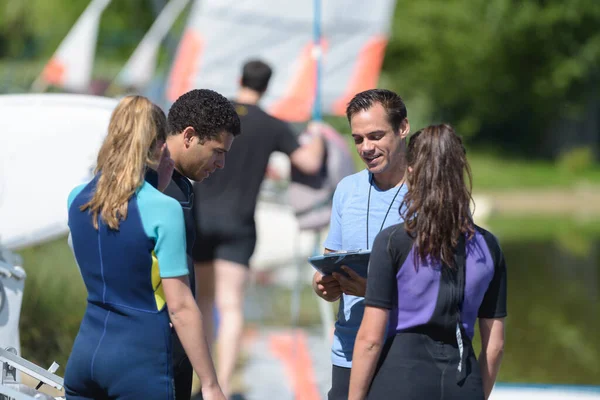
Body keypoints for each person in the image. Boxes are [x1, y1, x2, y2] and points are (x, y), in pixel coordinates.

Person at [63, 95, 226, 400]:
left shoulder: (77, 198)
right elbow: (180, 307)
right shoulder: (164, 209)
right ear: (160, 146)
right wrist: (211, 384)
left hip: (85, 356)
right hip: (139, 362)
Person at [193, 59, 325, 397]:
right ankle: (221, 384)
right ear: (267, 87)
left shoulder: (215, 119)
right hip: (240, 223)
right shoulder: (273, 125)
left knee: (204, 302)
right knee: (232, 305)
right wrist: (319, 133)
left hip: (201, 218)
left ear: (239, 79)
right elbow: (309, 162)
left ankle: (202, 382)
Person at [349, 124, 507, 400]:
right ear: (460, 171)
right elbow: (494, 346)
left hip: (401, 381)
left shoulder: (393, 241)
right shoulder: (489, 247)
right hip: (464, 383)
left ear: (411, 170)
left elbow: (370, 341)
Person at [311, 88, 410, 400]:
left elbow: (443, 289)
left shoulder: (428, 192)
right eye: (358, 139)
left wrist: (374, 291)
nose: (366, 147)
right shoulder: (347, 189)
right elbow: (331, 260)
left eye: (376, 136)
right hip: (348, 351)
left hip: (404, 351)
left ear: (403, 128)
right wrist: (322, 284)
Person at [144, 89, 241, 400]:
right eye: (217, 151)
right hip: (152, 347)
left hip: (174, 345)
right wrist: (211, 383)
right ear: (188, 136)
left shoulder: (181, 183)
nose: (222, 163)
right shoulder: (148, 184)